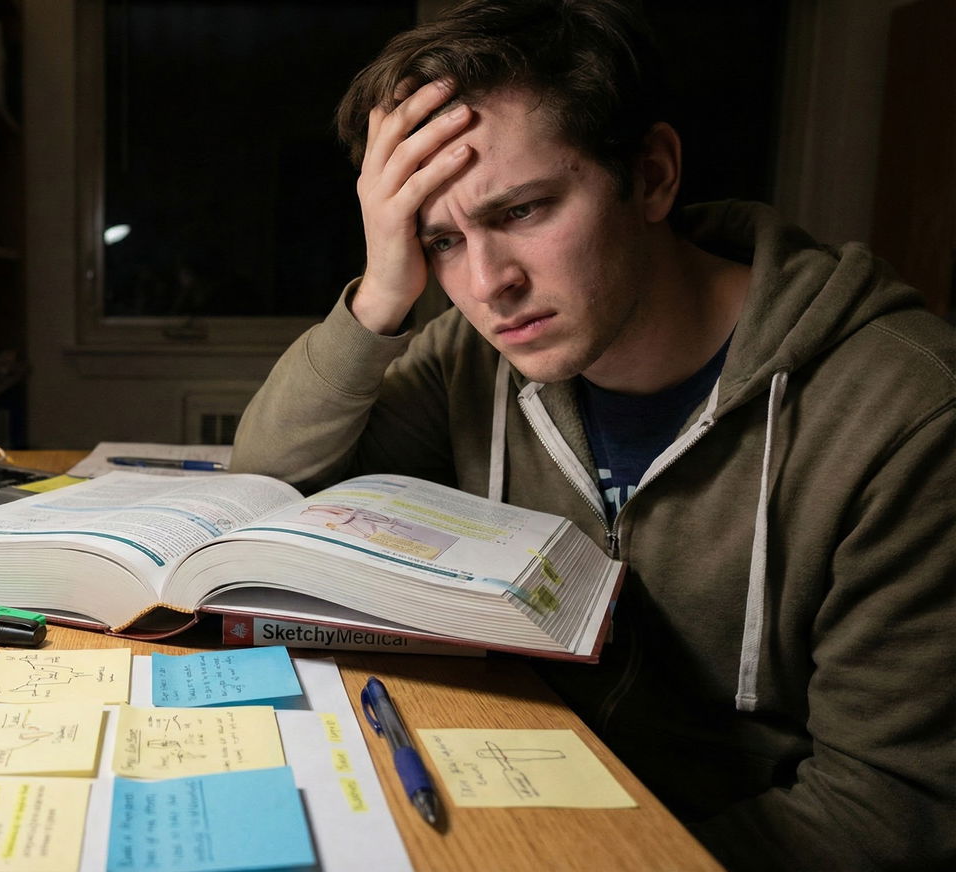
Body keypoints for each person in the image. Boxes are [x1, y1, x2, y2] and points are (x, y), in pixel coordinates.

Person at [230, 1, 956, 869]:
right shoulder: (473, 356)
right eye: (442, 240)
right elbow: (272, 485)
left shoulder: (909, 414)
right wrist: (384, 290)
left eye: (523, 211)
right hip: (514, 789)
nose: (488, 283)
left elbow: (889, 813)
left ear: (650, 176)